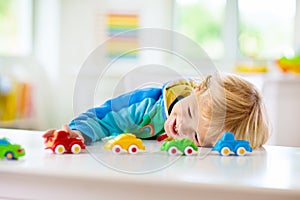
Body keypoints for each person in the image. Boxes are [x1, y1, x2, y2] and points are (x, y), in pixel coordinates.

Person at [44, 72, 270, 149]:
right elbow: (103, 118)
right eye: (190, 113)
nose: (182, 127)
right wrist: (79, 133)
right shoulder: (144, 106)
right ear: (197, 88)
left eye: (196, 137)